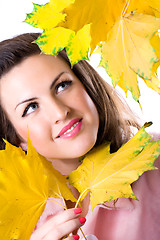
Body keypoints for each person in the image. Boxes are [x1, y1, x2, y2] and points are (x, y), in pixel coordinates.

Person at [0, 33, 159, 240]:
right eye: (31, 107)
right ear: (16, 140)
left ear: (86, 85)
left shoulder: (154, 158)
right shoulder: (9, 222)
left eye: (62, 86)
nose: (60, 112)